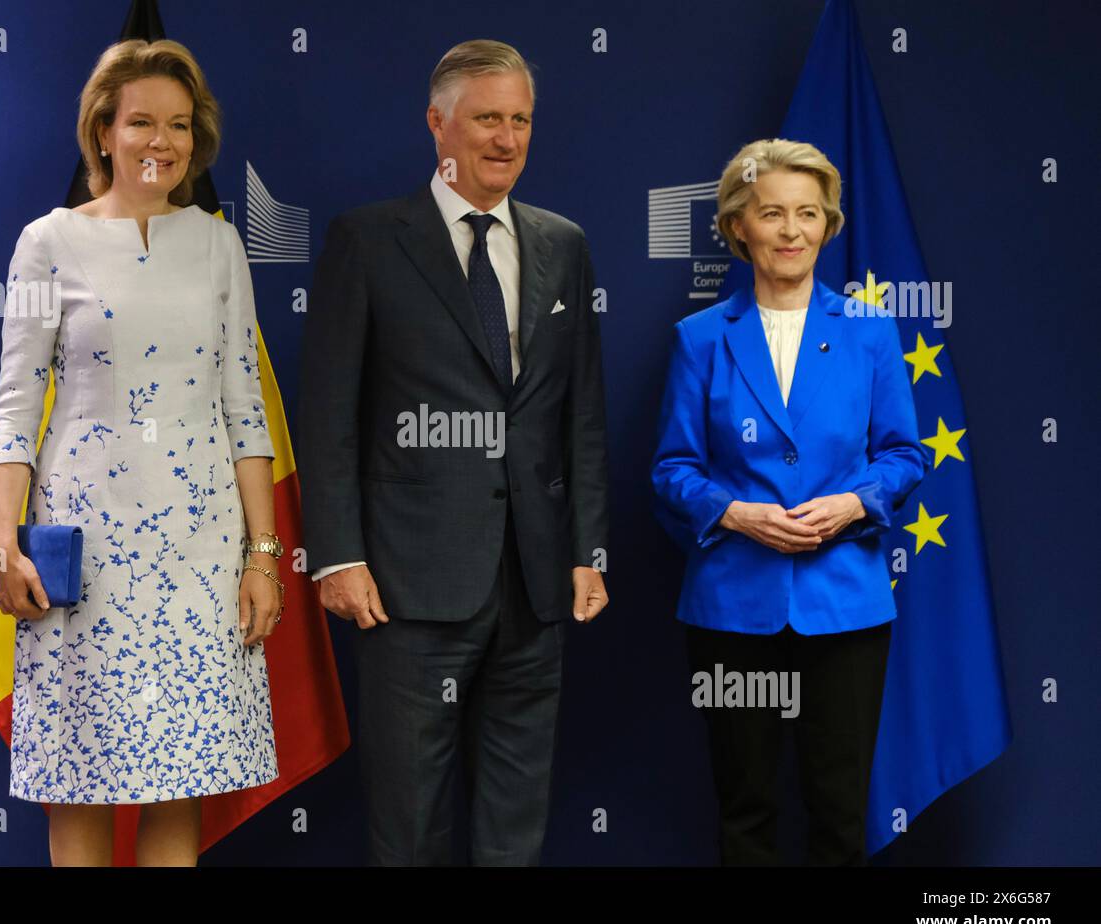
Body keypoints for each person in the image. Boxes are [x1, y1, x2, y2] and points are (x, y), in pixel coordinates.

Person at [297, 39, 610, 865]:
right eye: (486, 120)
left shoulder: (564, 245)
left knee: (516, 822)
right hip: (405, 583)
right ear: (438, 124)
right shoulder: (367, 241)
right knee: (410, 824)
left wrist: (588, 549)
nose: (505, 139)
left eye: (520, 120)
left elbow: (581, 415)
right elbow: (326, 414)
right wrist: (336, 557)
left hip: (535, 582)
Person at [0, 39, 284, 867]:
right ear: (103, 133)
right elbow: (15, 408)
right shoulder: (46, 242)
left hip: (199, 548)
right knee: (78, 780)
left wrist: (263, 555)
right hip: (83, 546)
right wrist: (4, 543)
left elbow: (243, 408)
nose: (163, 142)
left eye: (180, 126)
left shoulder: (220, 244)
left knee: (177, 779)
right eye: (143, 122)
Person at [650, 138, 927, 865]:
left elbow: (905, 454)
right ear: (739, 225)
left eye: (809, 214)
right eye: (772, 213)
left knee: (839, 809)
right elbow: (673, 468)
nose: (792, 230)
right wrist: (736, 514)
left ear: (829, 226)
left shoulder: (870, 331)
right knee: (745, 807)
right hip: (732, 608)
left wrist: (853, 506)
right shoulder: (699, 339)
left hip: (846, 607)